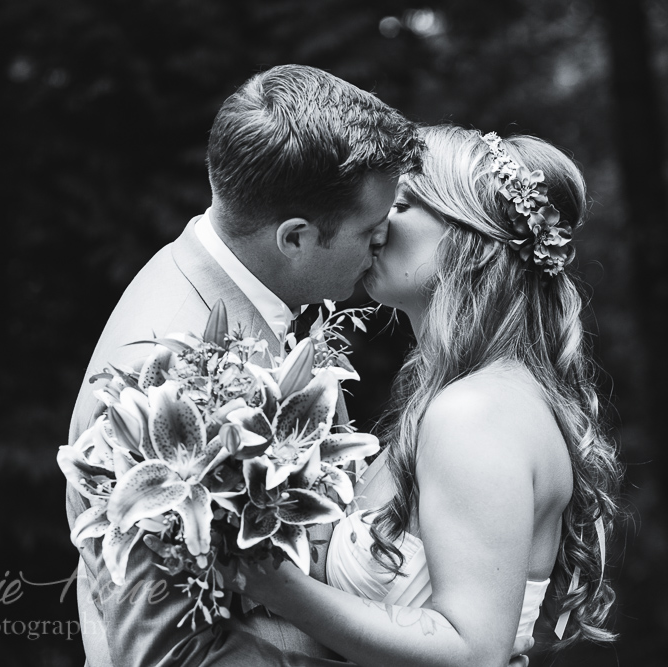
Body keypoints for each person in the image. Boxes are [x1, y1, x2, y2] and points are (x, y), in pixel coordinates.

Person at [65, 68, 536, 666]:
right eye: (371, 229)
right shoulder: (172, 373)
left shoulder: (240, 296)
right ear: (295, 238)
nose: (384, 238)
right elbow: (164, 651)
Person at [227, 125, 624, 667]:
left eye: (404, 203)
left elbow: (473, 650)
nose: (376, 221)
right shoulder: (467, 397)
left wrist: (274, 584)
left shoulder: (477, 413)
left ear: (470, 238)